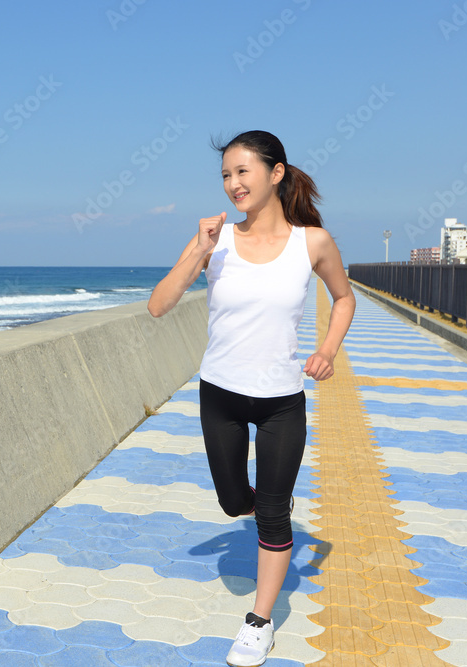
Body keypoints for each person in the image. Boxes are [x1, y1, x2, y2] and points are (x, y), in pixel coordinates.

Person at [147, 130, 355, 666]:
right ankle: (265, 502)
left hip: (282, 400)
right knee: (233, 502)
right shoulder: (214, 240)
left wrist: (328, 351)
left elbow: (343, 297)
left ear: (276, 173)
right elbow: (158, 305)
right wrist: (199, 251)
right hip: (221, 394)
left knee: (270, 516)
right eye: (226, 175)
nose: (233, 184)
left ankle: (258, 623)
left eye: (243, 171)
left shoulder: (312, 242)